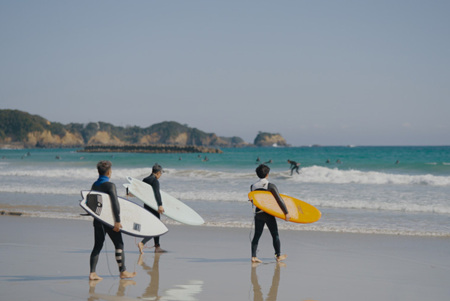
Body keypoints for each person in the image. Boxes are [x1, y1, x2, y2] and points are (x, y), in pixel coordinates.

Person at [89, 160, 136, 280]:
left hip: (98, 220)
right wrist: (117, 221)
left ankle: (92, 273)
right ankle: (123, 271)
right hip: (110, 220)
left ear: (98, 172)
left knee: (97, 246)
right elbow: (115, 204)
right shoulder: (110, 185)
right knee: (119, 244)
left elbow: (92, 204)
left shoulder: (94, 185)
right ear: (109, 172)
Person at [250, 164, 290, 263]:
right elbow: (279, 200)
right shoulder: (270, 185)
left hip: (258, 213)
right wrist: (286, 212)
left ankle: (254, 257)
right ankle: (278, 256)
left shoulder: (253, 186)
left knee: (257, 235)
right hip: (268, 213)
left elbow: (253, 200)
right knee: (275, 234)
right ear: (267, 174)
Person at [138, 163, 166, 253]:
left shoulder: (145, 179)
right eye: (161, 173)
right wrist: (160, 205)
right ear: (158, 173)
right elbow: (157, 193)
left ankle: (157, 247)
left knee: (154, 226)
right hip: (154, 207)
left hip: (146, 206)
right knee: (157, 227)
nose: (160, 175)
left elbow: (141, 192)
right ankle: (142, 243)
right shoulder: (155, 181)